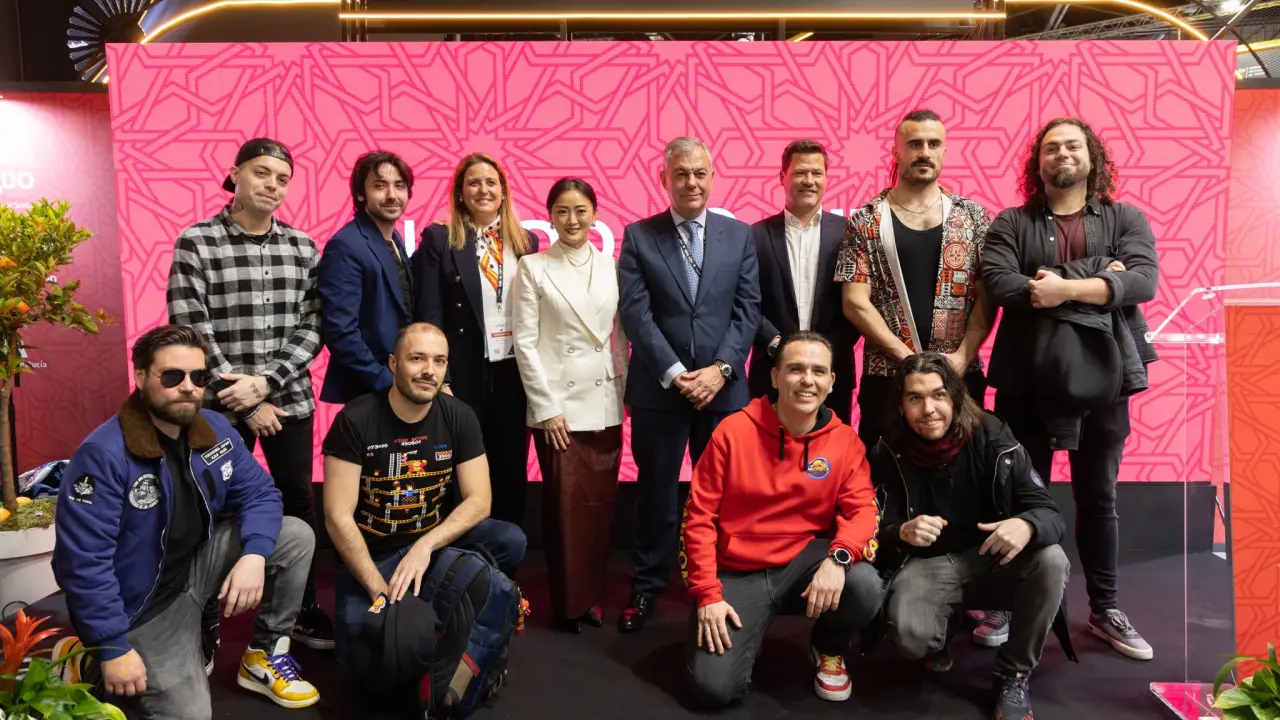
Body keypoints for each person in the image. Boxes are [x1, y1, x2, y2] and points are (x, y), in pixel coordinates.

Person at [52, 325, 319, 718]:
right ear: (141, 376)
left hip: (196, 569)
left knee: (295, 535)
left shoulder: (215, 428)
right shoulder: (103, 455)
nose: (188, 387)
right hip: (143, 606)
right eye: (172, 376)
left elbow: (261, 494)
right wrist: (112, 648)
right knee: (191, 716)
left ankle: (262, 656)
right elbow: (82, 563)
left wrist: (255, 556)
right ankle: (85, 658)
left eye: (199, 377)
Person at [981, 117, 1160, 661]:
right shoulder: (1011, 222)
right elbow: (1001, 283)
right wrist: (1100, 278)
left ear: (1091, 156)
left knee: (1098, 498)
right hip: (1026, 383)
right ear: (1037, 163)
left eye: (1073, 145)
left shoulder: (1125, 218)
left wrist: (1060, 287)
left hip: (1104, 382)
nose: (1062, 153)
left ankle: (1104, 610)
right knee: (1017, 496)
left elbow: (1143, 280)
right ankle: (1005, 602)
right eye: (1051, 147)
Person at [166, 137, 331, 657]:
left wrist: (267, 383)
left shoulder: (303, 247)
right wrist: (246, 399)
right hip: (217, 410)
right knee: (208, 506)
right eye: (262, 173)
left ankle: (297, 611)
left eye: (282, 179)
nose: (272, 185)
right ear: (235, 174)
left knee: (297, 505)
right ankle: (201, 615)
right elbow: (190, 327)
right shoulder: (196, 242)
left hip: (289, 402)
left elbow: (314, 325)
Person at [681, 331, 883, 707]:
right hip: (738, 570)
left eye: (818, 371)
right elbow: (698, 517)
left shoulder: (845, 441)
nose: (807, 380)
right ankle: (746, 636)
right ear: (775, 377)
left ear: (832, 381)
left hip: (803, 562)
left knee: (864, 584)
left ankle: (828, 648)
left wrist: (838, 558)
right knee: (712, 690)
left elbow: (863, 510)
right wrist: (707, 593)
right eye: (795, 369)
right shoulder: (732, 432)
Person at [872, 353, 1072, 720]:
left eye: (938, 395)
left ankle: (1014, 673)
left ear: (955, 397)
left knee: (1051, 558)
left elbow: (1050, 514)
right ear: (901, 406)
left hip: (994, 556)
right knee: (913, 639)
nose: (928, 409)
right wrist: (900, 531)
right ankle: (943, 630)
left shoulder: (993, 435)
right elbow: (872, 531)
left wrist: (1026, 525)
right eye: (915, 398)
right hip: (930, 563)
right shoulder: (888, 450)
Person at [322, 322, 528, 676]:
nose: (429, 370)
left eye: (439, 361)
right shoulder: (355, 420)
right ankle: (416, 601)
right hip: (376, 556)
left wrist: (425, 546)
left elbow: (480, 500)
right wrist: (379, 591)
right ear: (393, 363)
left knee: (510, 539)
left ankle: (463, 598)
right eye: (417, 358)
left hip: (435, 548)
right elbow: (337, 516)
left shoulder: (458, 415)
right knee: (358, 671)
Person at [617, 136, 761, 632]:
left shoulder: (738, 236)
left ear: (712, 176)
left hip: (724, 390)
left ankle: (721, 583)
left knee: (724, 495)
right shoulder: (639, 236)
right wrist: (677, 375)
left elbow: (748, 310)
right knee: (656, 495)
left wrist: (721, 369)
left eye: (699, 173)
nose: (691, 182)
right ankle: (647, 586)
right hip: (660, 392)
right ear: (664, 179)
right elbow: (636, 316)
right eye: (681, 174)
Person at [835, 109, 994, 450]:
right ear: (896, 151)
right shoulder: (865, 220)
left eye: (933, 144)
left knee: (965, 472)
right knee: (883, 472)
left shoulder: (973, 216)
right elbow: (854, 302)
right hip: (886, 377)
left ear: (944, 151)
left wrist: (962, 356)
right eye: (914, 144)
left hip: (959, 375)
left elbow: (987, 296)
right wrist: (910, 361)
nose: (924, 152)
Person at [511, 178, 627, 632]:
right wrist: (544, 408)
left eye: (581, 211)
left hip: (605, 402)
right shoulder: (534, 267)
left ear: (595, 215)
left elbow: (620, 338)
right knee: (565, 510)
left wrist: (625, 395)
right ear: (550, 217)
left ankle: (592, 596)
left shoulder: (613, 266)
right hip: (559, 409)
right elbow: (524, 342)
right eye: (562, 211)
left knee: (600, 508)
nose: (572, 220)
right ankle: (569, 602)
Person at [412, 153, 540, 528]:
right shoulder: (440, 238)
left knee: (510, 467)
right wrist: (441, 380)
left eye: (490, 182)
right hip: (462, 375)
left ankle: (508, 554)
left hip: (513, 374)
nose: (483, 190)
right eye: (473, 182)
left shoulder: (526, 241)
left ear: (503, 191)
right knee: (460, 468)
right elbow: (429, 316)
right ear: (460, 192)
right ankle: (461, 555)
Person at [750, 140, 860, 424]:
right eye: (800, 172)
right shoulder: (754, 236)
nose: (809, 181)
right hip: (771, 372)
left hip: (832, 374)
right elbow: (747, 302)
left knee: (830, 450)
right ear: (782, 177)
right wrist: (778, 347)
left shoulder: (851, 233)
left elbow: (859, 304)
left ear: (826, 178)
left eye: (817, 173)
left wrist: (822, 355)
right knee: (766, 450)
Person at [318, 150, 416, 404]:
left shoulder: (394, 239)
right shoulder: (346, 245)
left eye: (399, 186)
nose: (392, 195)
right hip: (370, 390)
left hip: (399, 384)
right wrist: (387, 383)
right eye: (380, 186)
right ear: (361, 193)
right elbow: (341, 331)